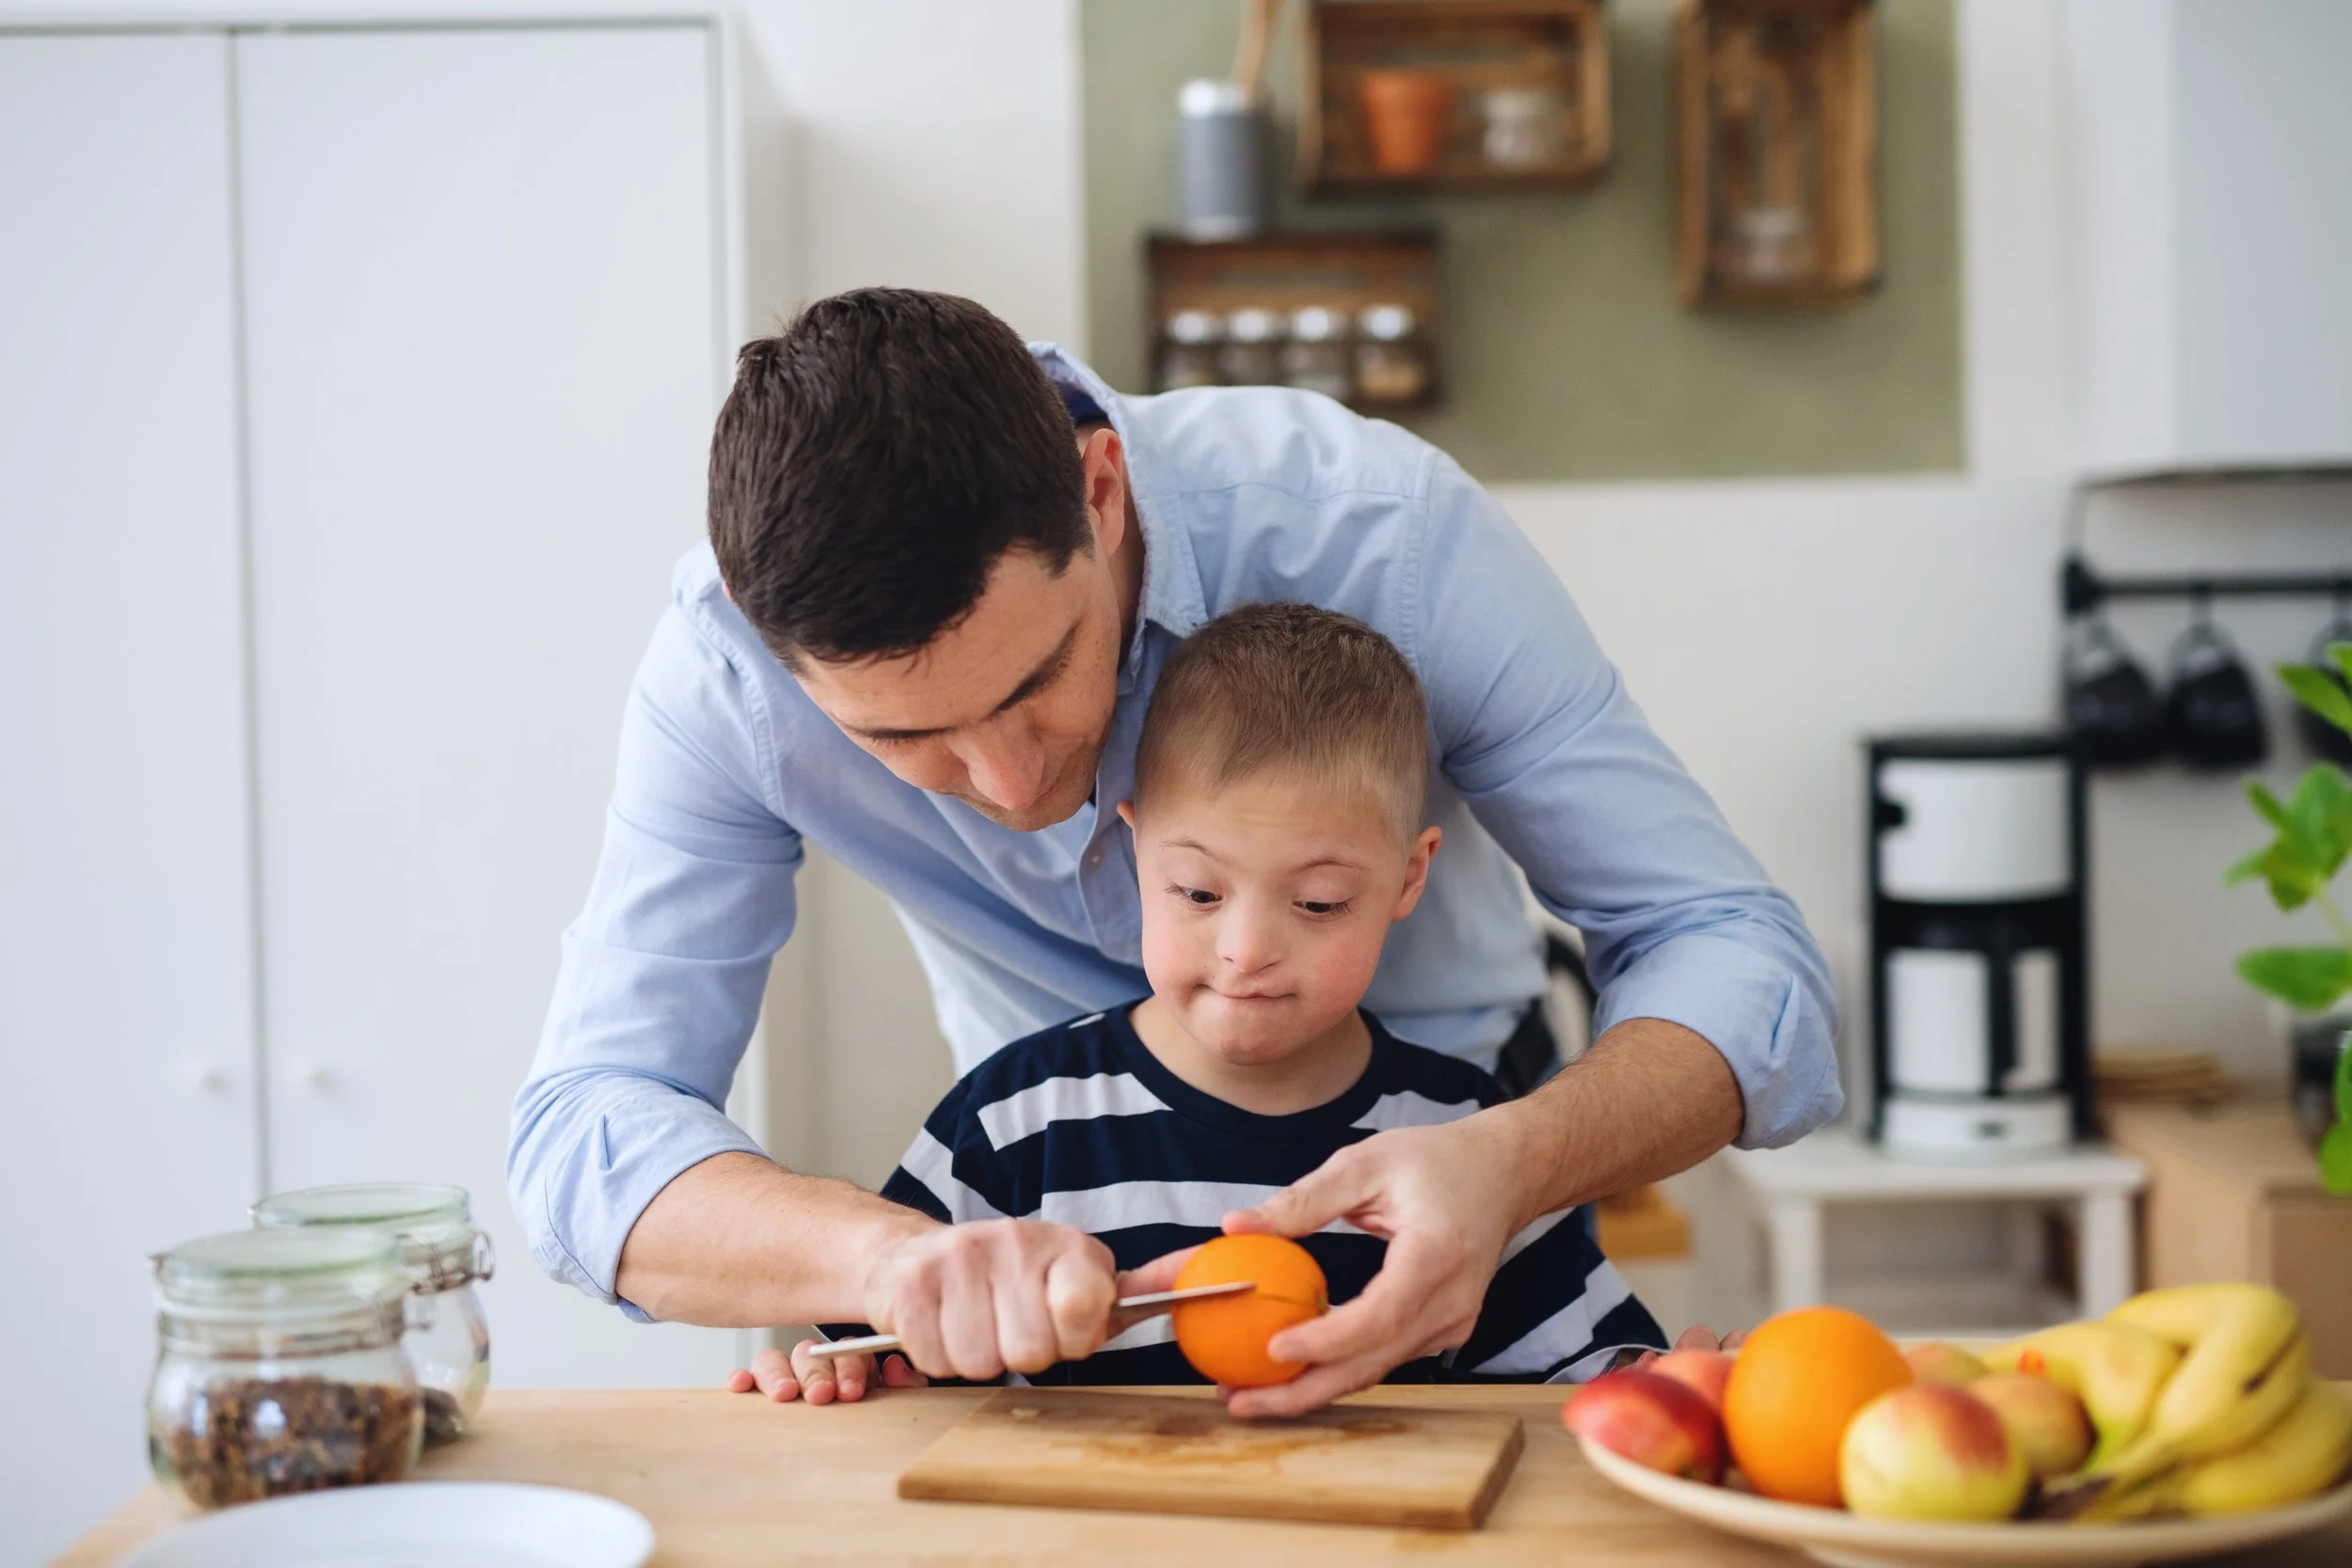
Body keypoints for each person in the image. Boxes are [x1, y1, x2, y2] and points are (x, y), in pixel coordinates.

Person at [511, 288, 1837, 1418]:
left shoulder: (1384, 533)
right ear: (759, 630)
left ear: (1100, 490)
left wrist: (1516, 1162)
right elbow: (586, 1128)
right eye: (911, 738)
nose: (1016, 783)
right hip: (1050, 1187)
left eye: (1041, 678)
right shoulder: (723, 672)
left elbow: (1735, 948)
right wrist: (890, 1266)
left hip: (1460, 1159)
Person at [745, 606, 1669, 1404]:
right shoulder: (1017, 1122)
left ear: (1408, 876)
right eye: (1196, 891)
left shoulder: (1458, 1138)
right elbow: (872, 1347)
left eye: (1315, 903)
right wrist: (828, 1372)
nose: (1246, 948)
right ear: (1135, 851)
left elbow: (1588, 1376)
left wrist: (1670, 1381)